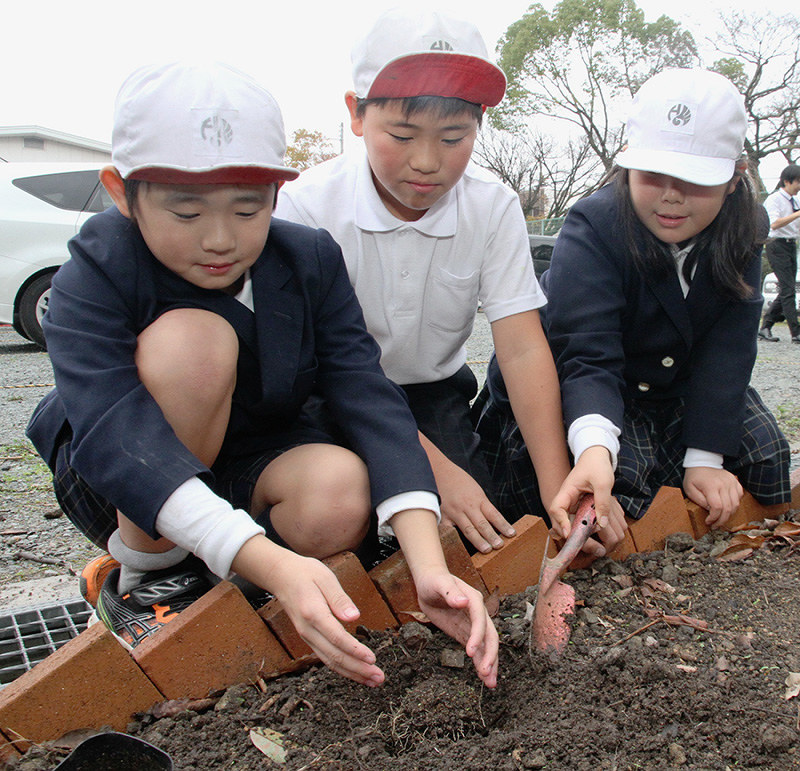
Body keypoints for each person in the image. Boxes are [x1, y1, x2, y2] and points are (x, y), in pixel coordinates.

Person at [25, 61, 498, 689]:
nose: (221, 239)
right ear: (121, 191)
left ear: (277, 194)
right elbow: (113, 428)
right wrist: (277, 565)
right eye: (187, 214)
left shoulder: (307, 258)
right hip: (125, 473)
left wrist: (428, 563)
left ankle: (231, 571)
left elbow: (368, 396)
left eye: (248, 210)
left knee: (340, 489)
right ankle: (146, 573)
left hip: (252, 459)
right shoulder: (100, 262)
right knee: (195, 342)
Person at [275, 9, 576, 555]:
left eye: (455, 136)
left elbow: (524, 348)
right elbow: (329, 372)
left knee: (474, 528)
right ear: (357, 114)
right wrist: (428, 472)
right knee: (354, 528)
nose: (427, 162)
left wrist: (559, 492)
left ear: (480, 124)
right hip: (327, 395)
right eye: (402, 134)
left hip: (430, 395)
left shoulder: (492, 206)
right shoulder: (306, 207)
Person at [477, 68, 791, 533]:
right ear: (627, 164)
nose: (671, 197)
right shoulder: (594, 225)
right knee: (618, 489)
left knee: (767, 455)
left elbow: (728, 350)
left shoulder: (745, 230)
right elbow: (587, 355)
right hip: (588, 386)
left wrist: (705, 457)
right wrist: (594, 449)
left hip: (674, 388)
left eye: (695, 179)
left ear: (733, 178)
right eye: (653, 174)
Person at [758, 164, 800, 343]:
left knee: (786, 289)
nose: (799, 186)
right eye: (798, 182)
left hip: (791, 244)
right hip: (776, 245)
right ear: (786, 181)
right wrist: (797, 215)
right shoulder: (774, 199)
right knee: (788, 289)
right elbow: (774, 224)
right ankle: (796, 332)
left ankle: (765, 326)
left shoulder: (795, 201)